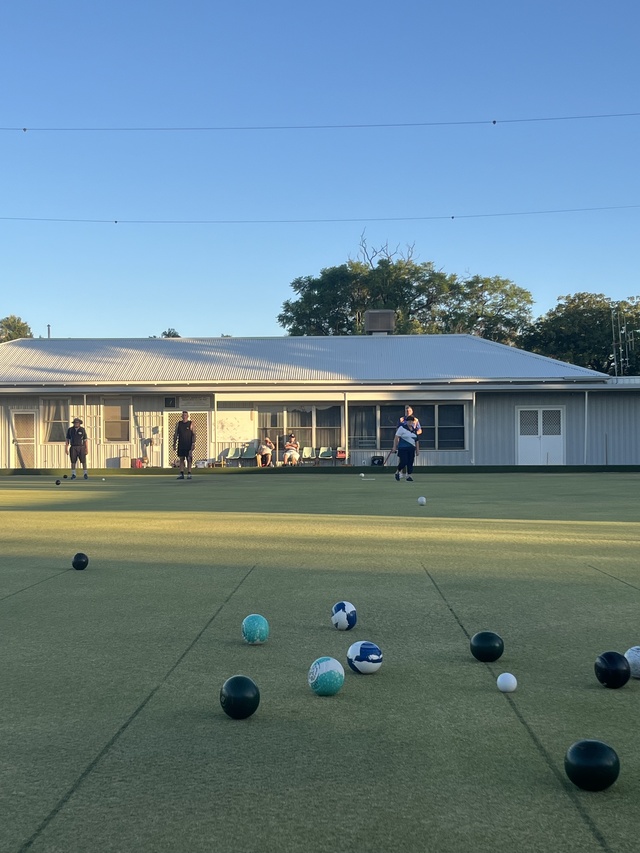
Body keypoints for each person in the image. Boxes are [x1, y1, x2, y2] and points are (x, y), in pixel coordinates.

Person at [392, 415, 419, 482]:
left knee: (410, 462)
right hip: (403, 448)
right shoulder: (402, 428)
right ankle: (397, 471)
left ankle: (409, 475)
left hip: (411, 448)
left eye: (411, 421)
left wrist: (417, 450)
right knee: (404, 461)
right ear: (406, 421)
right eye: (409, 421)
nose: (410, 422)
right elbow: (396, 438)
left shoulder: (414, 430)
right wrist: (394, 447)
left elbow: (417, 441)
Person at [172, 410, 196, 480]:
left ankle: (189, 473)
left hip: (188, 444)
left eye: (185, 415)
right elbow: (176, 434)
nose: (184, 417)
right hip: (181, 444)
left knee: (189, 459)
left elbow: (194, 434)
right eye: (183, 415)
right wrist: (174, 443)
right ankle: (181, 473)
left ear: (187, 416)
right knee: (181, 459)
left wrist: (193, 443)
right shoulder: (179, 424)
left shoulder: (191, 423)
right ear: (181, 416)